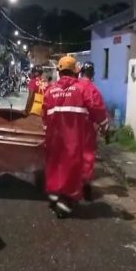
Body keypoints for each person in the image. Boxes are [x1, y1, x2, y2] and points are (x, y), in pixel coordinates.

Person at [42, 56, 108, 218]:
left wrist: (48, 129)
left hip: (54, 138)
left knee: (55, 164)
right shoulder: (83, 89)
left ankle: (54, 194)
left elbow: (44, 113)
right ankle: (65, 201)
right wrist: (104, 122)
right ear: (75, 71)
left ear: (58, 71)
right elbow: (96, 107)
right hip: (73, 137)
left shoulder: (50, 90)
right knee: (71, 167)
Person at [76, 61, 109, 201]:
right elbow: (99, 110)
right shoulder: (92, 90)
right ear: (93, 74)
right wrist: (104, 126)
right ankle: (86, 188)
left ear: (81, 72)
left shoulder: (74, 86)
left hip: (70, 127)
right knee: (87, 156)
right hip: (87, 129)